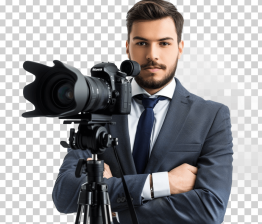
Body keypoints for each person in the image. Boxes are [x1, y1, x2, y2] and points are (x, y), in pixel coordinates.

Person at [52, 0, 234, 223]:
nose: (152, 55)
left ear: (180, 47)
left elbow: (209, 209)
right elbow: (65, 194)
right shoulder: (98, 107)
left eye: (164, 43)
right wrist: (163, 183)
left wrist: (116, 210)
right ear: (128, 47)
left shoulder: (211, 116)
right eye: (141, 43)